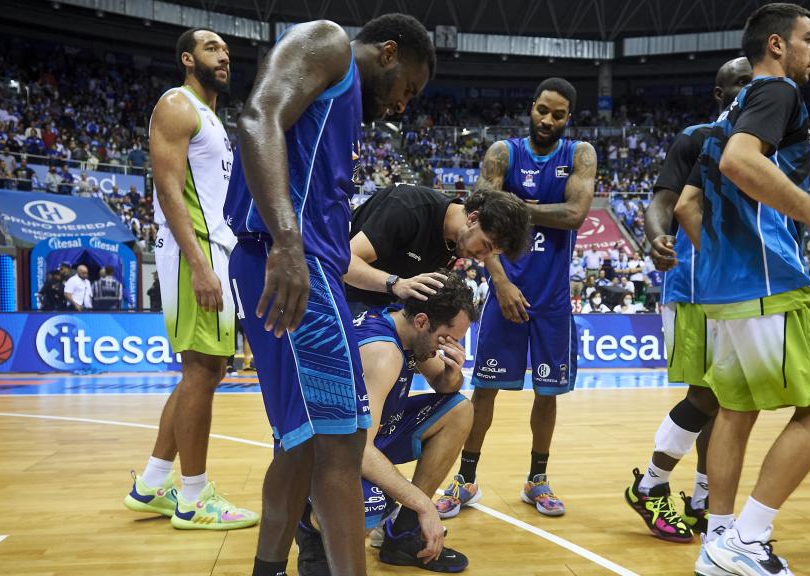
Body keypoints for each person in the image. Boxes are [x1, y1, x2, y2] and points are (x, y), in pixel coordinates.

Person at [224, 14, 434, 576]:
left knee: (299, 445)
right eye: (407, 88)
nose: (402, 105)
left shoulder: (339, 105)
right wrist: (289, 243)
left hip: (297, 261)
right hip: (293, 261)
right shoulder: (329, 42)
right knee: (340, 447)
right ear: (388, 52)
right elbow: (258, 114)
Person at [676, 5, 810, 574]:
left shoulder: (725, 117)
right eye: (809, 40)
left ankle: (719, 540)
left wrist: (722, 258)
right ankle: (749, 536)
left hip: (723, 291)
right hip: (768, 284)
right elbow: (743, 163)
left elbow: (690, 204)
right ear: (776, 45)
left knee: (736, 412)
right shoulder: (777, 92)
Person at [123, 28, 258, 533]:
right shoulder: (177, 105)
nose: (223, 54)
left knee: (205, 370)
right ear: (187, 58)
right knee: (203, 369)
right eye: (211, 48)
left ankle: (154, 484)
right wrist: (199, 262)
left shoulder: (212, 118)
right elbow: (167, 189)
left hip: (210, 248)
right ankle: (194, 496)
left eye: (226, 49)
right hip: (193, 252)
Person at [449, 77, 596, 518]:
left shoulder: (580, 155)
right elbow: (481, 220)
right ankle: (464, 481)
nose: (548, 120)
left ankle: (537, 480)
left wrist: (511, 208)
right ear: (531, 107)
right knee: (485, 392)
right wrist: (500, 281)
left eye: (559, 114)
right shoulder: (503, 153)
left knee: (547, 394)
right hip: (506, 289)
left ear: (569, 117)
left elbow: (575, 214)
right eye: (542, 110)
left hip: (551, 300)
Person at [299, 272, 475, 573]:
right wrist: (423, 504)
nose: (447, 346)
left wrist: (453, 371)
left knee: (459, 410)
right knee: (369, 509)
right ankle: (311, 531)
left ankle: (403, 536)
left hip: (370, 434)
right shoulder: (383, 354)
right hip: (333, 450)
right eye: (446, 339)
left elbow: (445, 386)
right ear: (422, 321)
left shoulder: (404, 329)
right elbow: (360, 451)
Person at [343, 184, 530, 315]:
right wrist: (396, 284)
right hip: (339, 293)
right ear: (473, 219)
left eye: (492, 253)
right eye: (486, 246)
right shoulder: (408, 206)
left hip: (384, 305)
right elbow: (344, 262)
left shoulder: (457, 242)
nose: (483, 258)